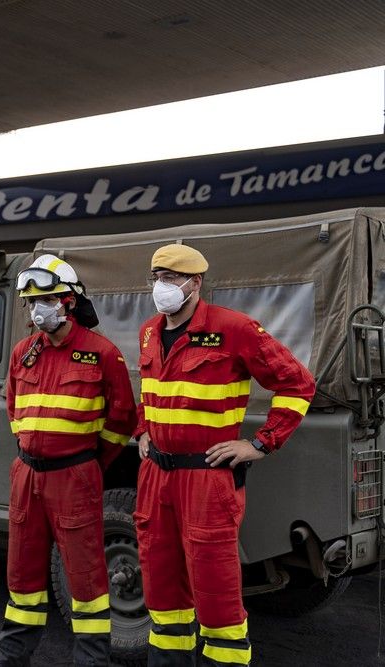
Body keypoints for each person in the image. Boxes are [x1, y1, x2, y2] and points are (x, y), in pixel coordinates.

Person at [134, 244, 315, 666]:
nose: (161, 286)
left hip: (206, 479)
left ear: (195, 283)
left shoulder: (235, 329)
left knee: (216, 595)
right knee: (161, 591)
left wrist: (259, 443)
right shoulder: (149, 330)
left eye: (171, 278)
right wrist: (144, 430)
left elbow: (297, 384)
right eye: (155, 276)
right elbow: (152, 389)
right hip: (156, 476)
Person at [0, 255, 137, 667]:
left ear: (68, 301)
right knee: (22, 573)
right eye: (31, 302)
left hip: (75, 476)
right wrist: (35, 452)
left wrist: (85, 463)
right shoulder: (22, 352)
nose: (37, 309)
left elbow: (121, 422)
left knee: (85, 578)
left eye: (46, 299)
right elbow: (14, 410)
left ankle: (91, 661)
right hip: (27, 475)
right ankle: (11, 655)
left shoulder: (103, 354)